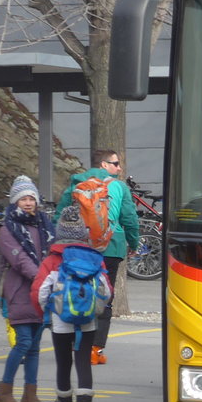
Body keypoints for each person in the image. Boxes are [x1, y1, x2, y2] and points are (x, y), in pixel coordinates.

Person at [55, 148, 139, 365]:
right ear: (104, 165)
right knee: (104, 297)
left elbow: (60, 215)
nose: (119, 168)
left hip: (81, 247)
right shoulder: (119, 187)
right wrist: (133, 242)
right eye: (115, 163)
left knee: (79, 292)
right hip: (111, 246)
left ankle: (76, 343)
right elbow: (129, 218)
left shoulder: (76, 184)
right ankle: (94, 349)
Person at [34, 206, 112, 402]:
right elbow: (106, 290)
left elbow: (40, 290)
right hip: (87, 320)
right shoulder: (94, 259)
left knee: (63, 363)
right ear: (83, 233)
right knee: (83, 363)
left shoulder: (52, 260)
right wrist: (96, 310)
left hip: (61, 320)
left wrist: (46, 313)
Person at [0, 175, 57, 402]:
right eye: (23, 199)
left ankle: (30, 394)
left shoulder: (44, 224)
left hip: (41, 292)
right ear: (15, 202)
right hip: (20, 290)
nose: (28, 203)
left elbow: (53, 252)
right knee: (24, 343)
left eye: (31, 198)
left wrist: (48, 278)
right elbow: (18, 260)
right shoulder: (7, 228)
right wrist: (44, 277)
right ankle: (4, 393)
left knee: (35, 347)